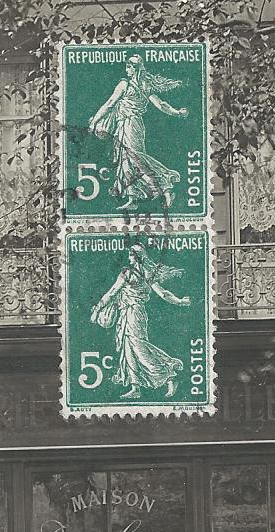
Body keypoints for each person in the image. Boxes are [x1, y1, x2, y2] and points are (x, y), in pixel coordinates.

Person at [88, 54, 188, 210]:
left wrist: (94, 121)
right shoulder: (145, 86)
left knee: (136, 158)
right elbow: (161, 104)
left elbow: (109, 103)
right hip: (129, 125)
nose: (126, 69)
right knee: (126, 160)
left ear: (134, 69)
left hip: (129, 125)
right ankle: (132, 198)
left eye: (129, 66)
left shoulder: (124, 84)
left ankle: (166, 187)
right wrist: (177, 113)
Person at [91, 243, 189, 399]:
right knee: (128, 349)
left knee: (138, 347)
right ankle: (135, 387)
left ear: (136, 257)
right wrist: (179, 301)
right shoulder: (147, 273)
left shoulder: (127, 273)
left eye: (131, 255)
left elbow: (112, 292)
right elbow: (163, 293)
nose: (129, 257)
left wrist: (97, 310)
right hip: (128, 313)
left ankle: (169, 375)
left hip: (133, 313)